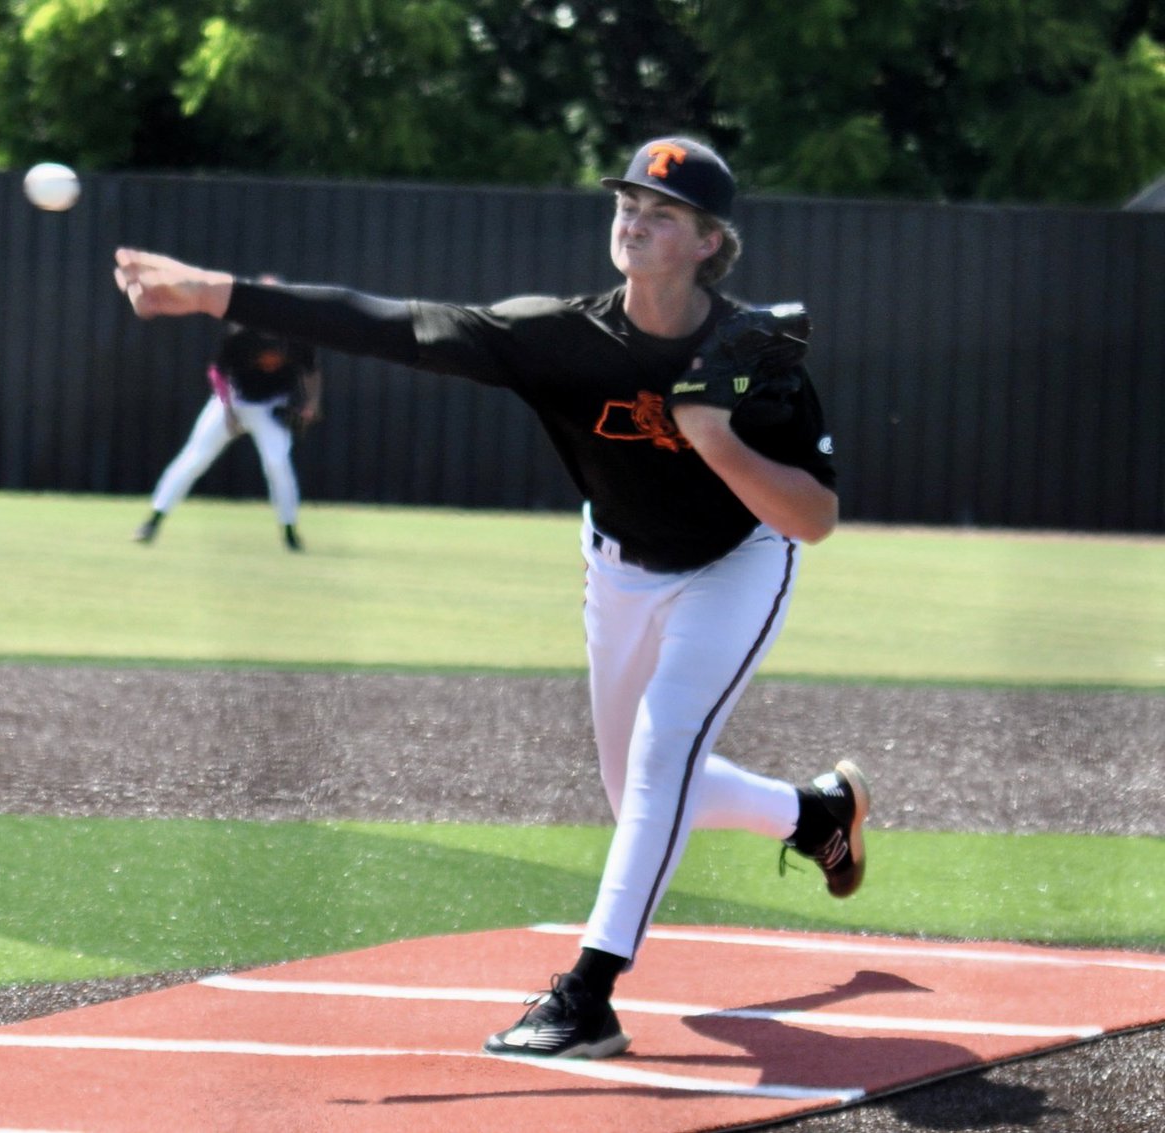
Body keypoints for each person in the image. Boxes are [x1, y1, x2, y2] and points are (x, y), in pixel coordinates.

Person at [113, 136, 870, 1061]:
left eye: (662, 213)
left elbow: (816, 517)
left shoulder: (753, 350)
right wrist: (211, 291)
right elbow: (388, 322)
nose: (633, 220)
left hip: (737, 563)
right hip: (621, 565)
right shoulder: (560, 337)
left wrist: (710, 432)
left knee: (665, 746)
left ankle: (587, 993)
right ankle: (816, 814)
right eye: (627, 203)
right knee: (634, 786)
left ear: (710, 241)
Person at [132, 300, 322, 552]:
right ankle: (152, 521)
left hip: (270, 406)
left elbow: (311, 370)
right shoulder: (242, 334)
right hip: (232, 401)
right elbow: (217, 373)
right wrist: (230, 413)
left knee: (277, 463)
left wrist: (311, 403)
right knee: (194, 459)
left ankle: (290, 533)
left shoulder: (295, 335)